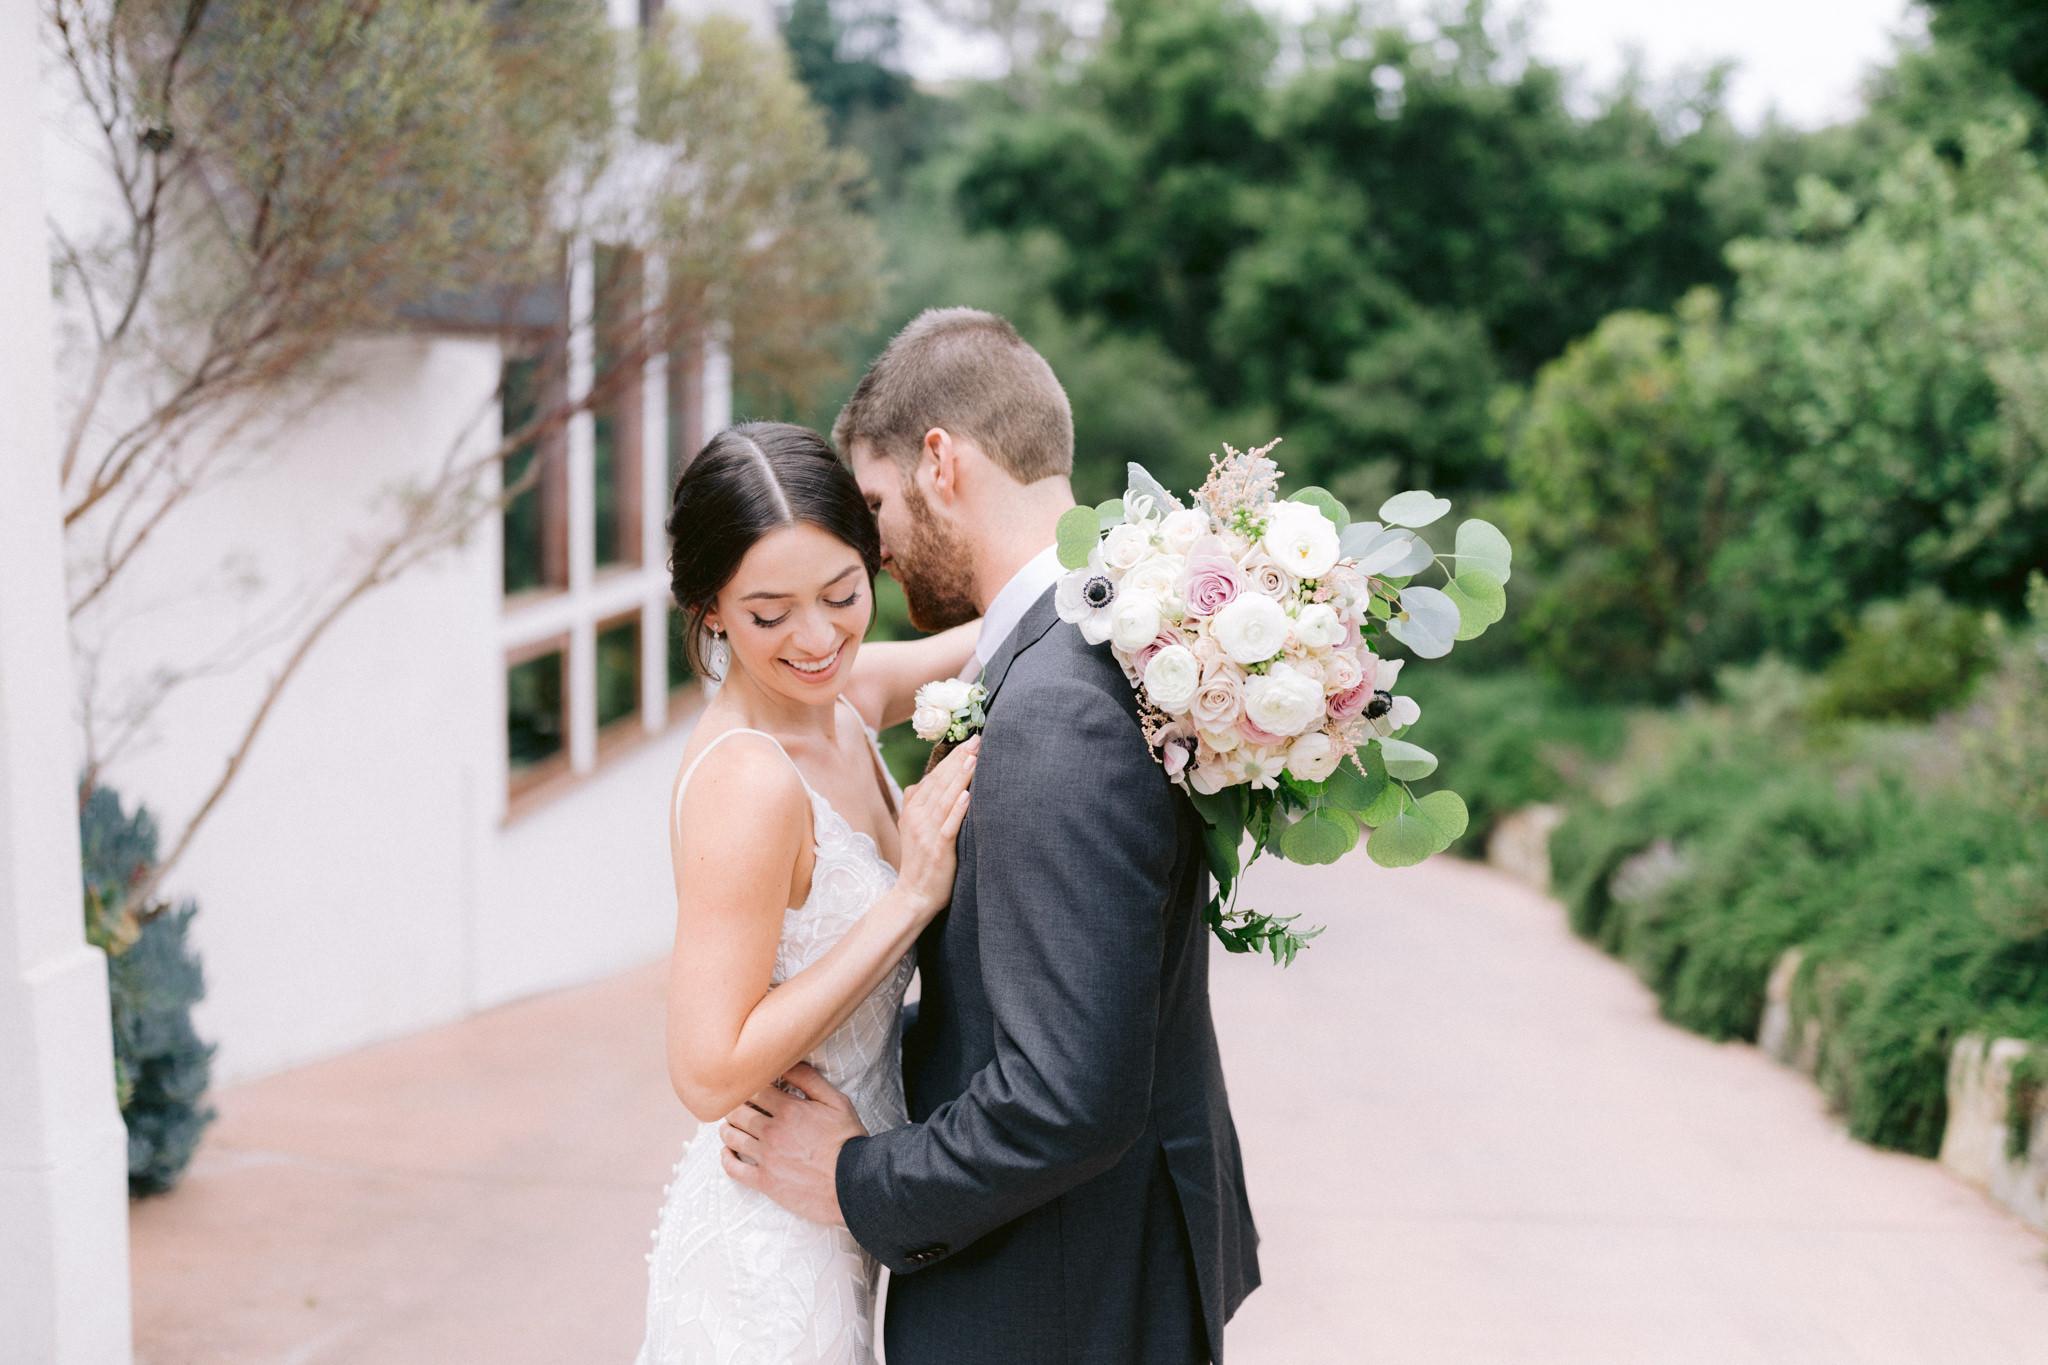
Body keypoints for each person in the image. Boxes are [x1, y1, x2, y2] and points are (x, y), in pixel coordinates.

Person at [717, 309, 1261, 1364]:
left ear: (940, 461)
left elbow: (1066, 1095)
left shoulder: (1056, 710)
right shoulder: (1097, 635)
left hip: (1054, 1301)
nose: (873, 547)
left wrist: (853, 1178)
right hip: (1098, 1266)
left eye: (875, 503)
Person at [636, 420, 981, 1365]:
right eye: (769, 614)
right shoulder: (749, 780)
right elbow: (707, 1070)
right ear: (710, 610)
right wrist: (908, 900)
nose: (819, 637)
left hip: (837, 1203)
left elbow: (997, 630)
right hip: (770, 1251)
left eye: (842, 593)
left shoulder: (838, 697)